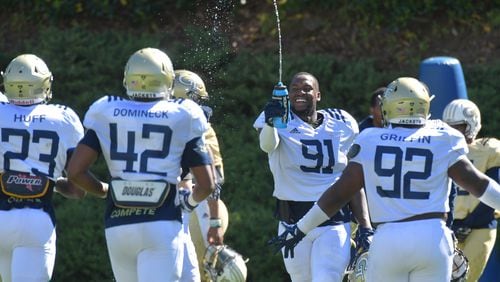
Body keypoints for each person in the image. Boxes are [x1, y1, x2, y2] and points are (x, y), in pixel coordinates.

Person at [269, 77, 500, 282]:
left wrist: (300, 229)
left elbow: (340, 192)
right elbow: (478, 185)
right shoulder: (444, 135)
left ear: (388, 107)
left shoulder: (371, 138)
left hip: (388, 238)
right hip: (432, 236)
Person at [66, 47, 215, 282]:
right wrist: (188, 203)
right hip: (162, 222)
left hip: (119, 224)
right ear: (167, 79)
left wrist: (104, 190)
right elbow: (207, 184)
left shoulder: (108, 109)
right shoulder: (183, 113)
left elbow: (74, 171)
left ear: (128, 78)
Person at [254, 72, 373, 281]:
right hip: (291, 219)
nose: (300, 92)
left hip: (333, 220)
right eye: (294, 89)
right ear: (287, 94)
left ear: (318, 95)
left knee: (327, 277)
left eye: (307, 88)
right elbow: (267, 146)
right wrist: (271, 123)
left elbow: (351, 179)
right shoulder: (277, 119)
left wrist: (365, 225)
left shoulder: (342, 123)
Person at [0, 54, 85, 281]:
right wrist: (46, 182)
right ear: (44, 84)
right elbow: (78, 188)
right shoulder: (62, 118)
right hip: (36, 219)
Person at [172, 69, 230, 282]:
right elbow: (214, 178)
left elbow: (213, 180)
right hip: (178, 206)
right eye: (195, 99)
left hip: (192, 204)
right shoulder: (198, 126)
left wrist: (214, 222)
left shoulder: (140, 121)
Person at [443, 99, 500, 282]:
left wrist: (469, 223)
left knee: (466, 279)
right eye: (449, 127)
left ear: (471, 125)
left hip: (480, 226)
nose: (453, 132)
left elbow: (492, 192)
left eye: (458, 127)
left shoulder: (488, 150)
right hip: (449, 226)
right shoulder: (442, 149)